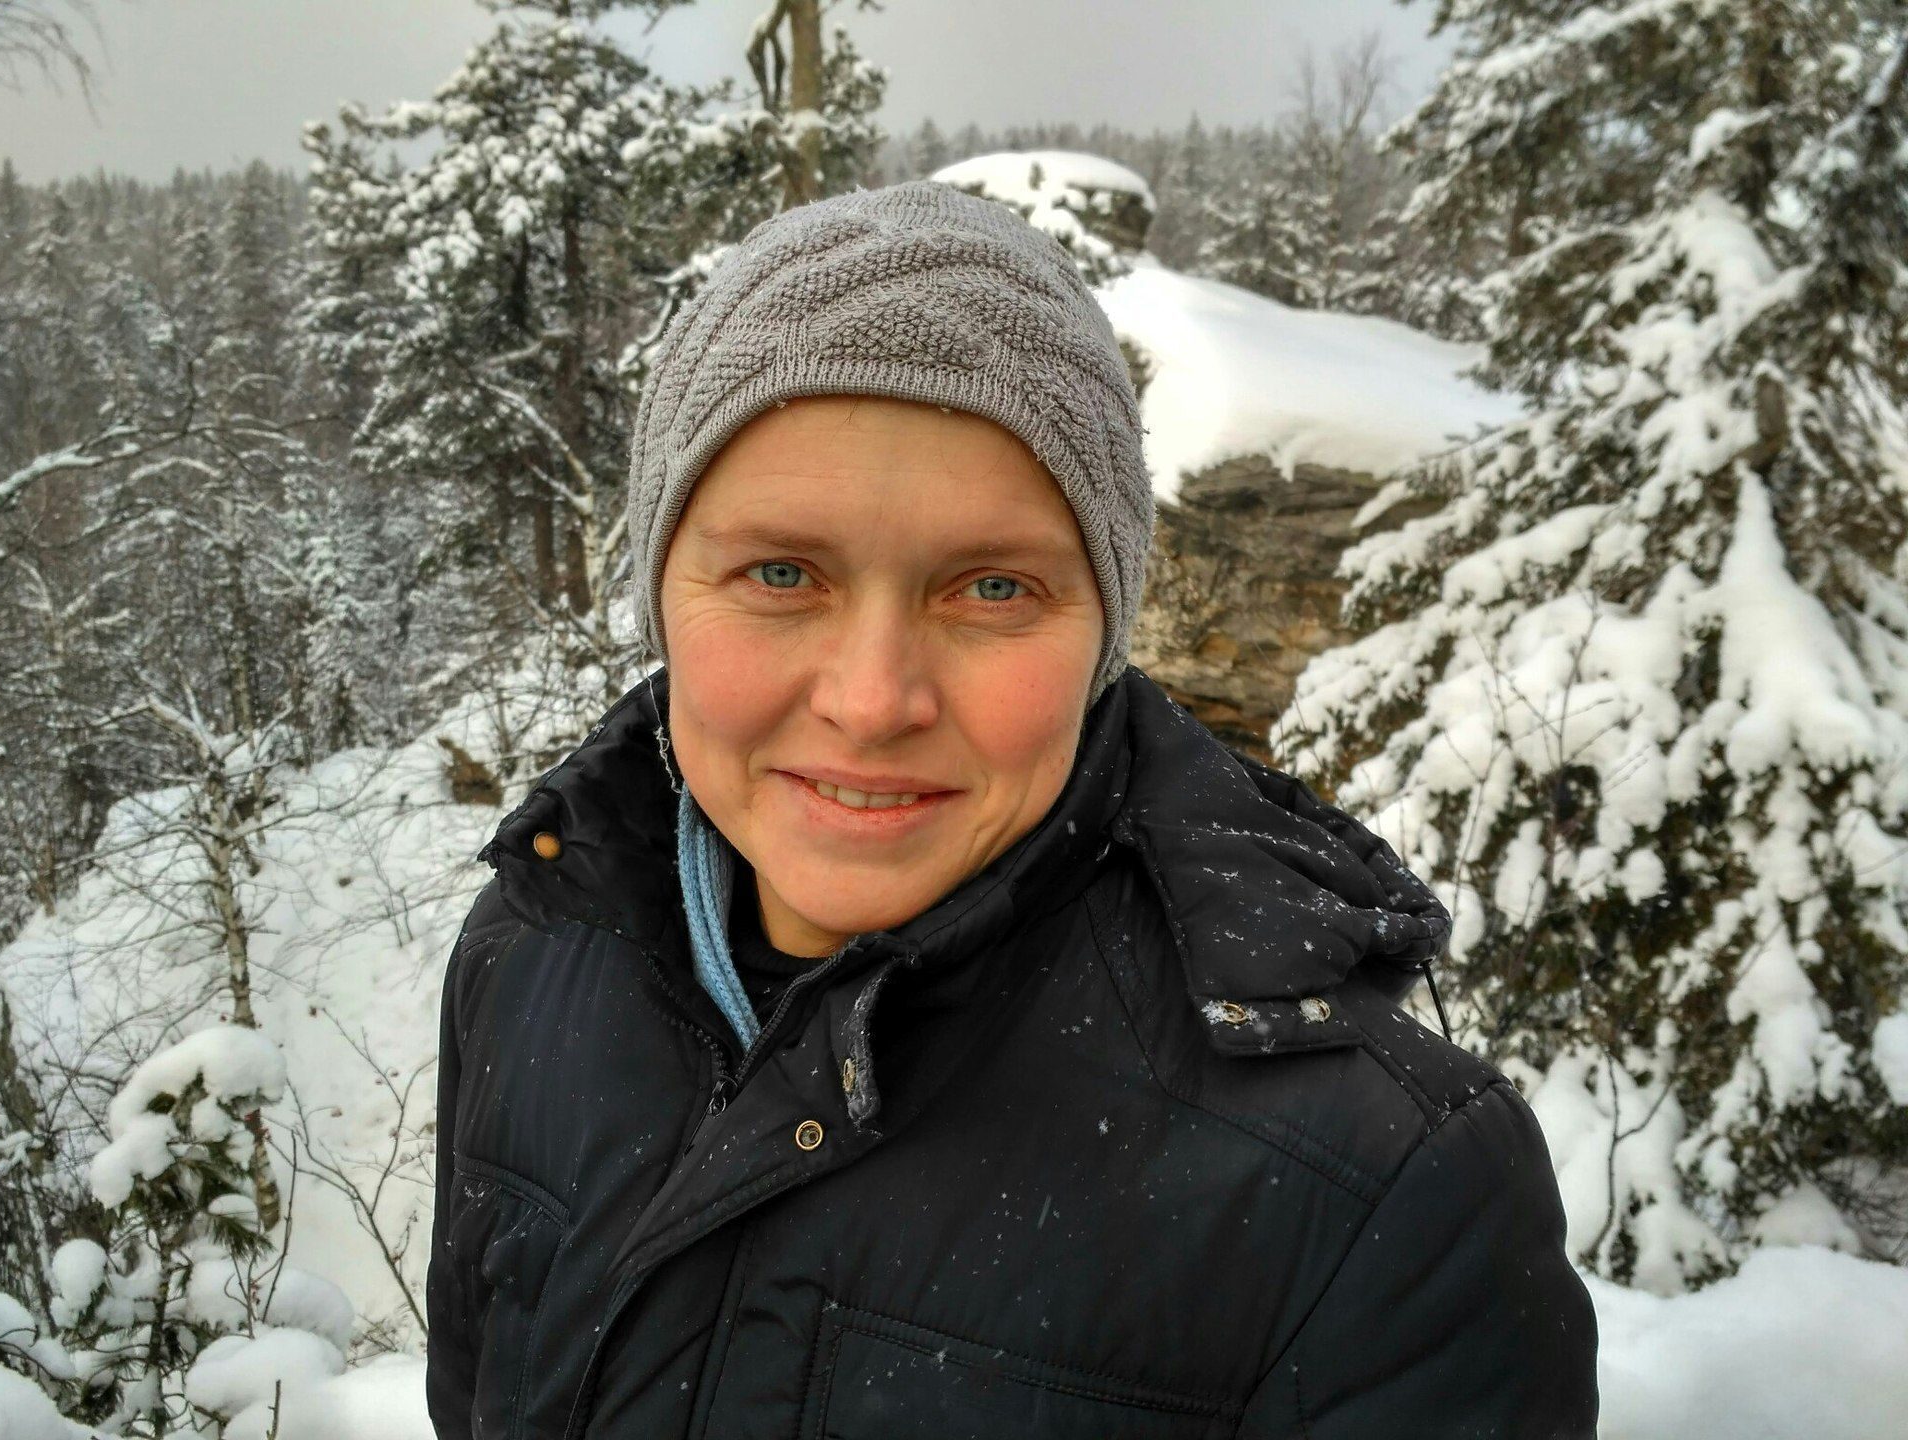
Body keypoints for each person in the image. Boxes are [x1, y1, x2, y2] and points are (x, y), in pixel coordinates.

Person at [425, 179, 1599, 1439]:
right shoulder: (534, 956)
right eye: (781, 572)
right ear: (662, 592)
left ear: (1104, 636)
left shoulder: (1382, 1193)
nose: (872, 701)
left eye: (992, 588)